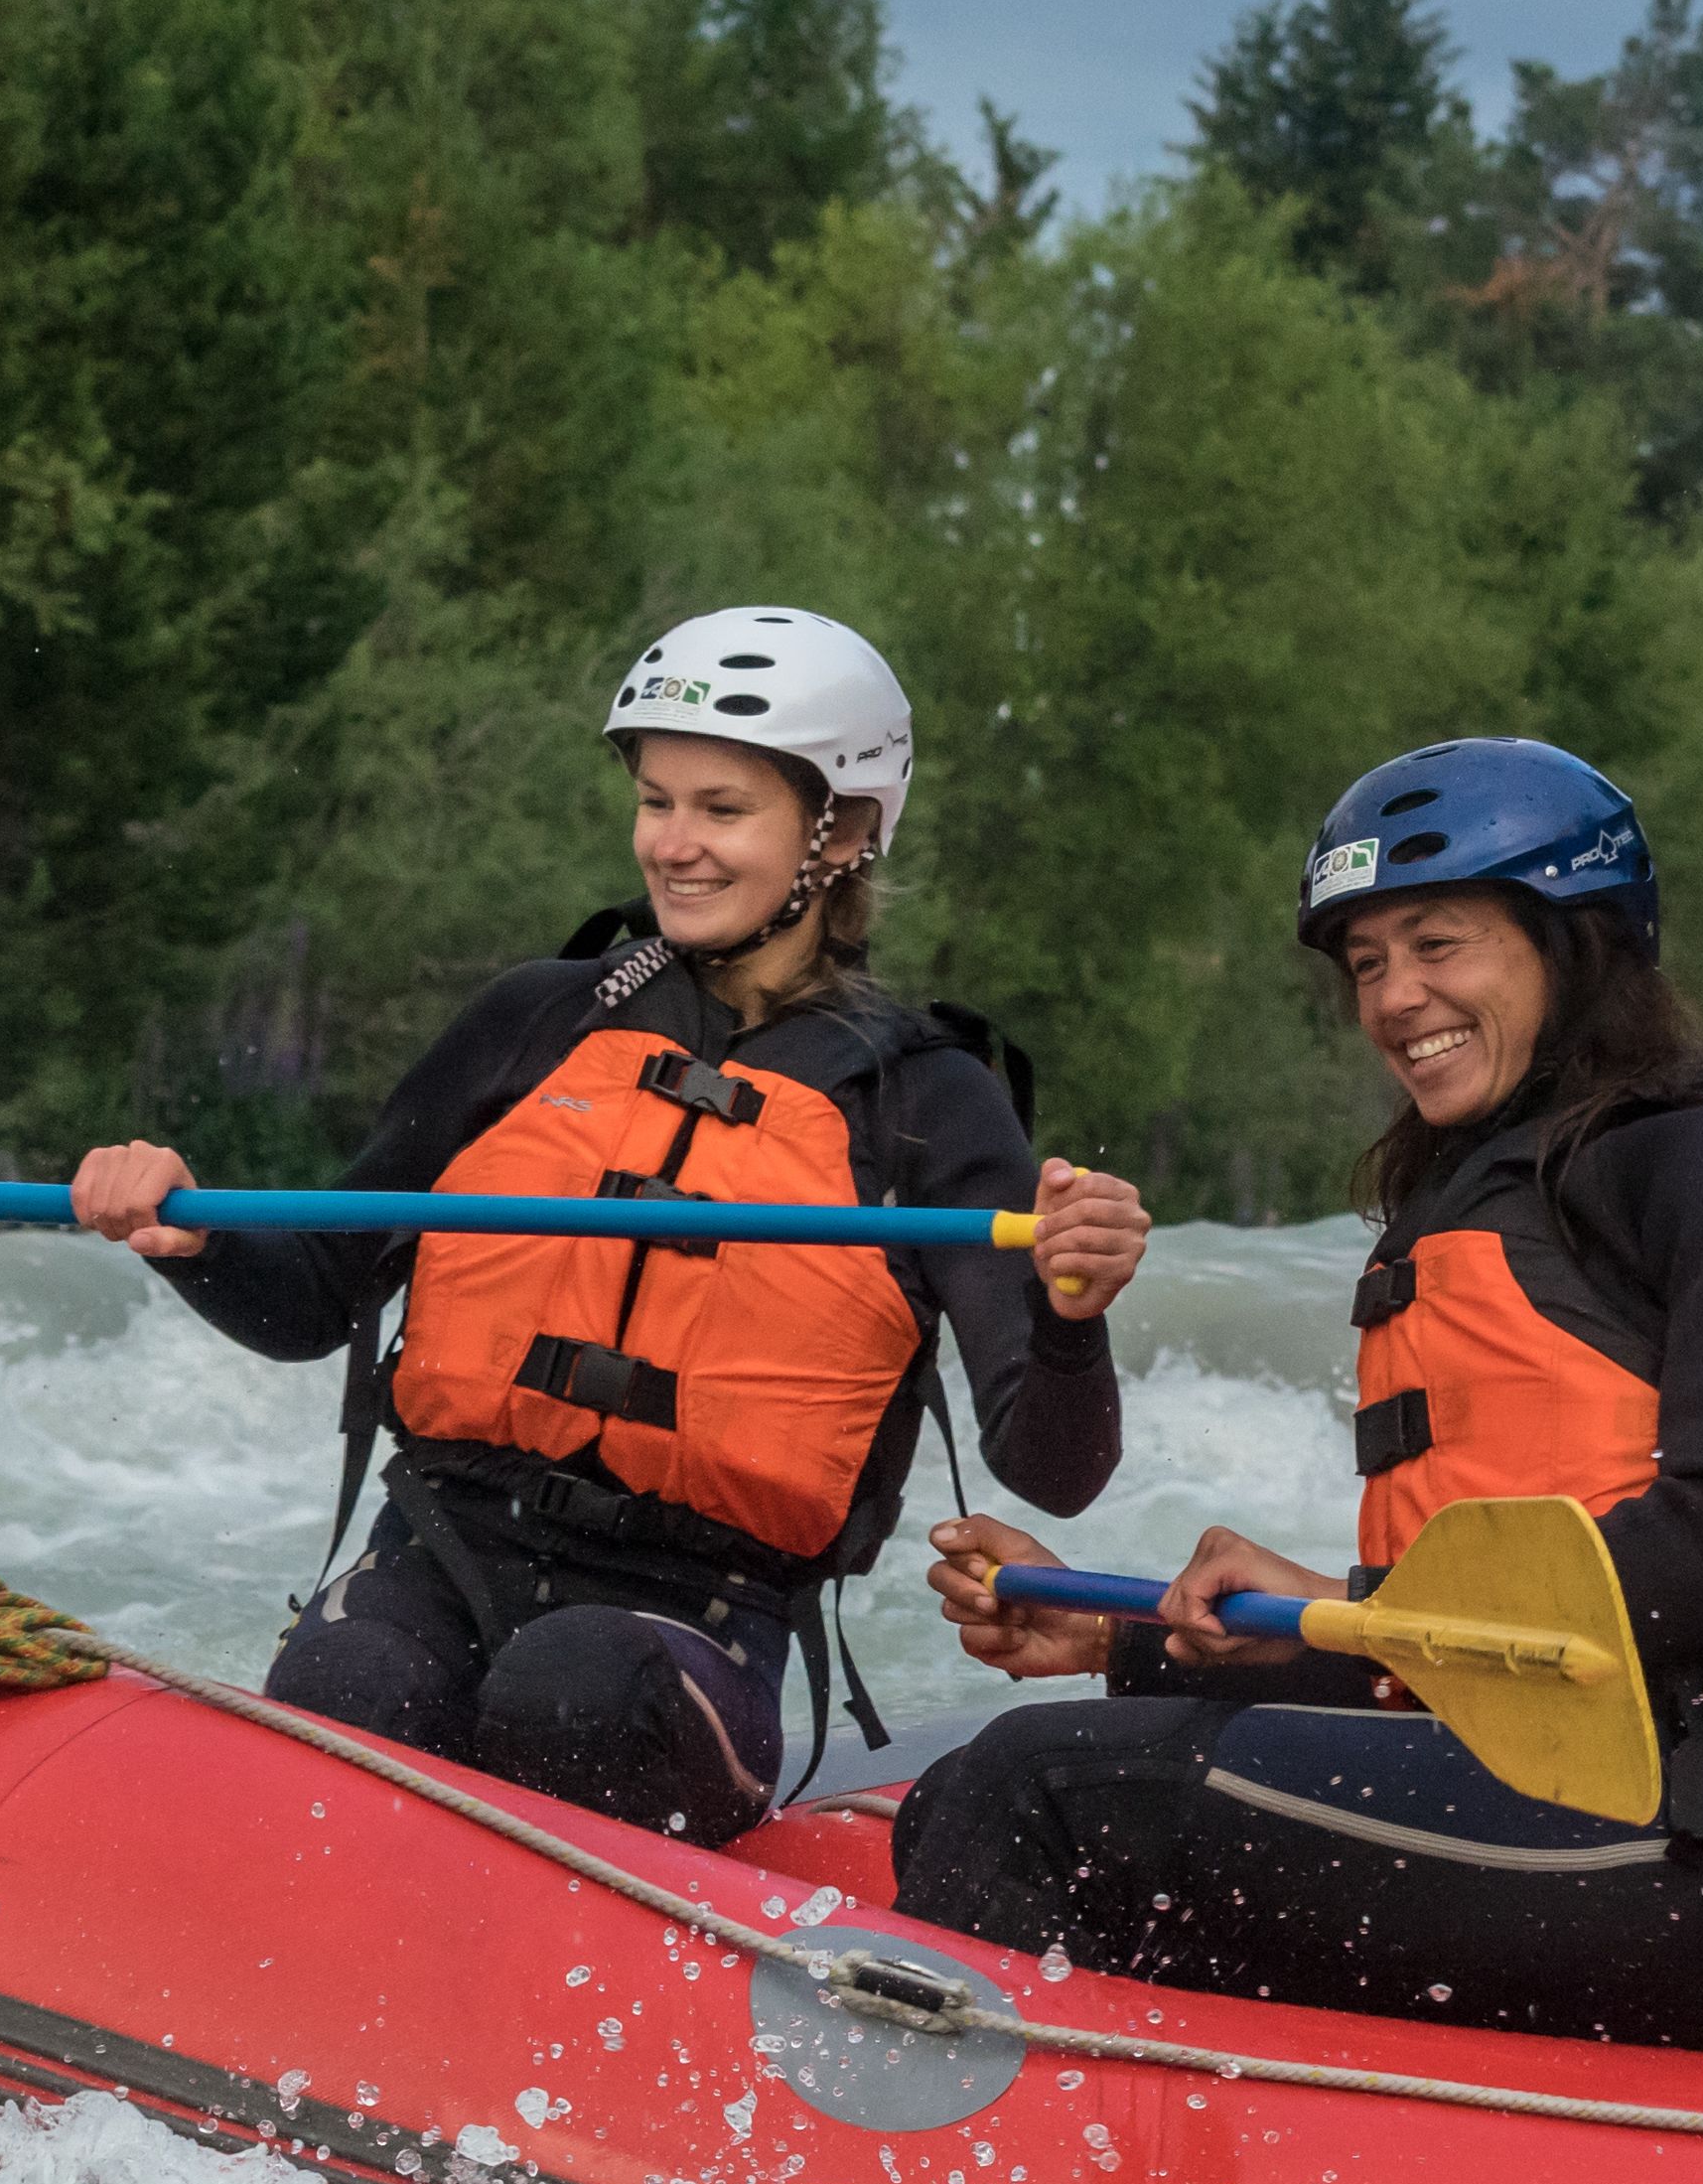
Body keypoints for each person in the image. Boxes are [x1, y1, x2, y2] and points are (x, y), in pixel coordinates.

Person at [897, 740, 1703, 2051]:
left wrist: (1359, 1616)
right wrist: (1124, 1640)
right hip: (1554, 1783)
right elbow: (1504, 1660)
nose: (1394, 997)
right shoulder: (1499, 1193)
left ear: (1569, 940)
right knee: (966, 1792)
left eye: (1440, 945)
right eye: (1367, 963)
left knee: (1036, 1795)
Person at [68, 607, 1150, 1845]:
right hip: (437, 1556)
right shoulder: (540, 1020)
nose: (672, 845)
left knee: (574, 1690)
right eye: (656, 801)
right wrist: (189, 1229)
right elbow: (317, 1297)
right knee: (350, 1688)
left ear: (842, 831)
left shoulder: (927, 1101)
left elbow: (1056, 1471)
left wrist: (1072, 1317)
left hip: (692, 1617)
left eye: (721, 809)